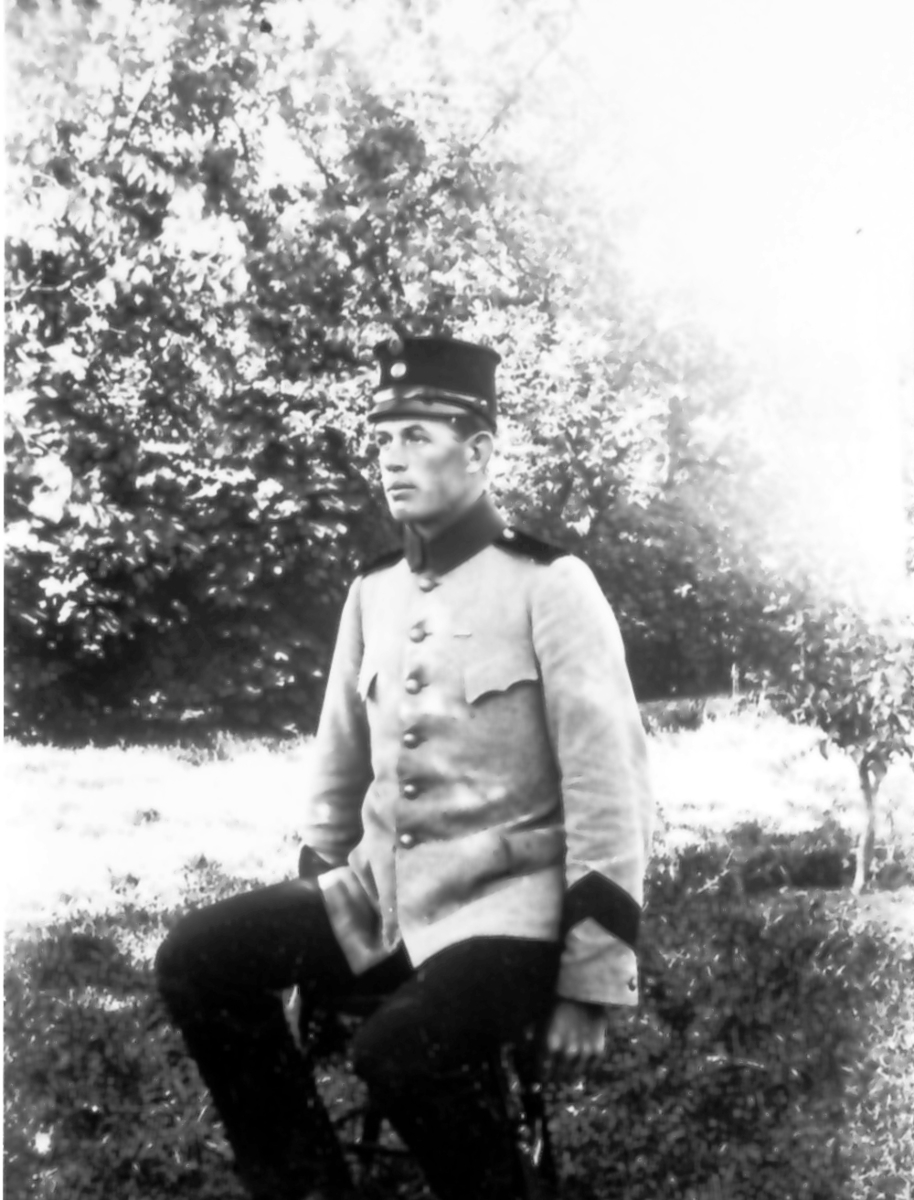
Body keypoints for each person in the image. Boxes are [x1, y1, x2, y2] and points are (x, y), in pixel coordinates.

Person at [156, 334, 654, 1200]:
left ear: (480, 451)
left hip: (510, 916)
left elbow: (611, 790)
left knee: (399, 1052)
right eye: (383, 437)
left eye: (418, 436)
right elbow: (337, 772)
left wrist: (591, 979)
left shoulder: (551, 585)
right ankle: (306, 1187)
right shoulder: (373, 591)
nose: (392, 458)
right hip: (376, 898)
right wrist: (313, 926)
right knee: (196, 958)